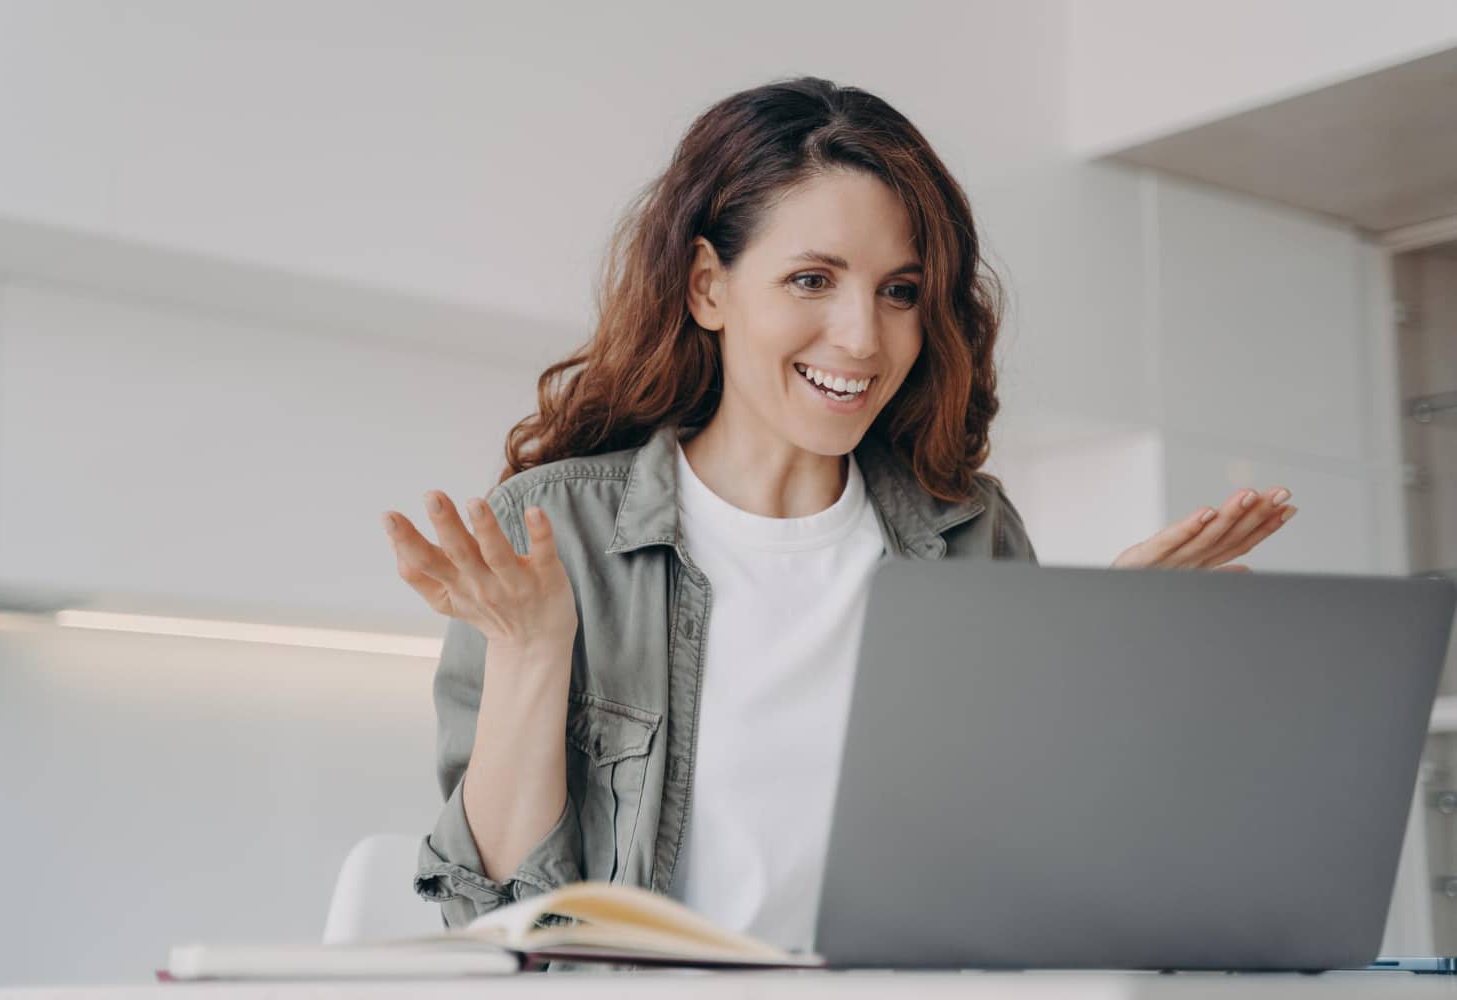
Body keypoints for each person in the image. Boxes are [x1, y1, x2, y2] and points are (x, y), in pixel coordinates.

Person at [381, 77, 1298, 951]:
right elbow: (493, 919)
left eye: (899, 291)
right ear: (708, 287)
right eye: (813, 279)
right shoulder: (557, 534)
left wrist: (1088, 654)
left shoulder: (970, 534)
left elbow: (1029, 870)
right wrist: (534, 651)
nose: (863, 337)